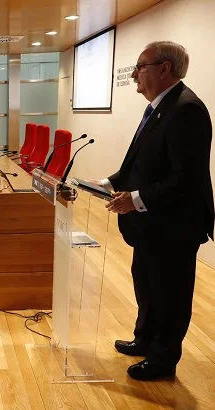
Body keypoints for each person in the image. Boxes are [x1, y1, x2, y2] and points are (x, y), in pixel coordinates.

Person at [94, 41, 214, 381]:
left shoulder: (186, 109)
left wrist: (135, 199)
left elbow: (185, 179)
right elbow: (141, 165)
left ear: (165, 69)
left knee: (170, 293)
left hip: (173, 224)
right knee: (146, 282)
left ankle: (163, 360)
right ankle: (145, 339)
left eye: (140, 66)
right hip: (151, 224)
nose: (134, 73)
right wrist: (106, 181)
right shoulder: (161, 107)